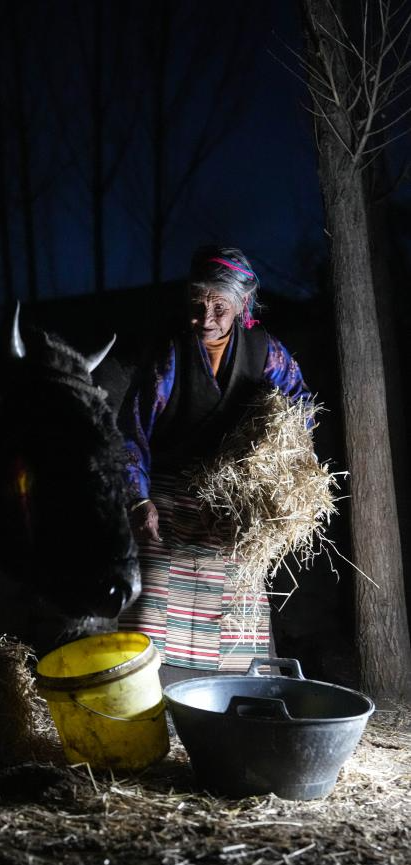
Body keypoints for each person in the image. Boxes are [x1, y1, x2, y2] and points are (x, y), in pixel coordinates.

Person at [117, 246, 312, 683]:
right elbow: (133, 430)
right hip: (166, 493)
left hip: (228, 500)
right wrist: (138, 499)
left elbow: (301, 406)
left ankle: (237, 692)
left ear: (243, 305)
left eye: (219, 307)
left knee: (239, 602)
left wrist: (280, 462)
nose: (205, 318)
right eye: (197, 304)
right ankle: (151, 689)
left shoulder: (265, 352)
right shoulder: (170, 353)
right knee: (151, 598)